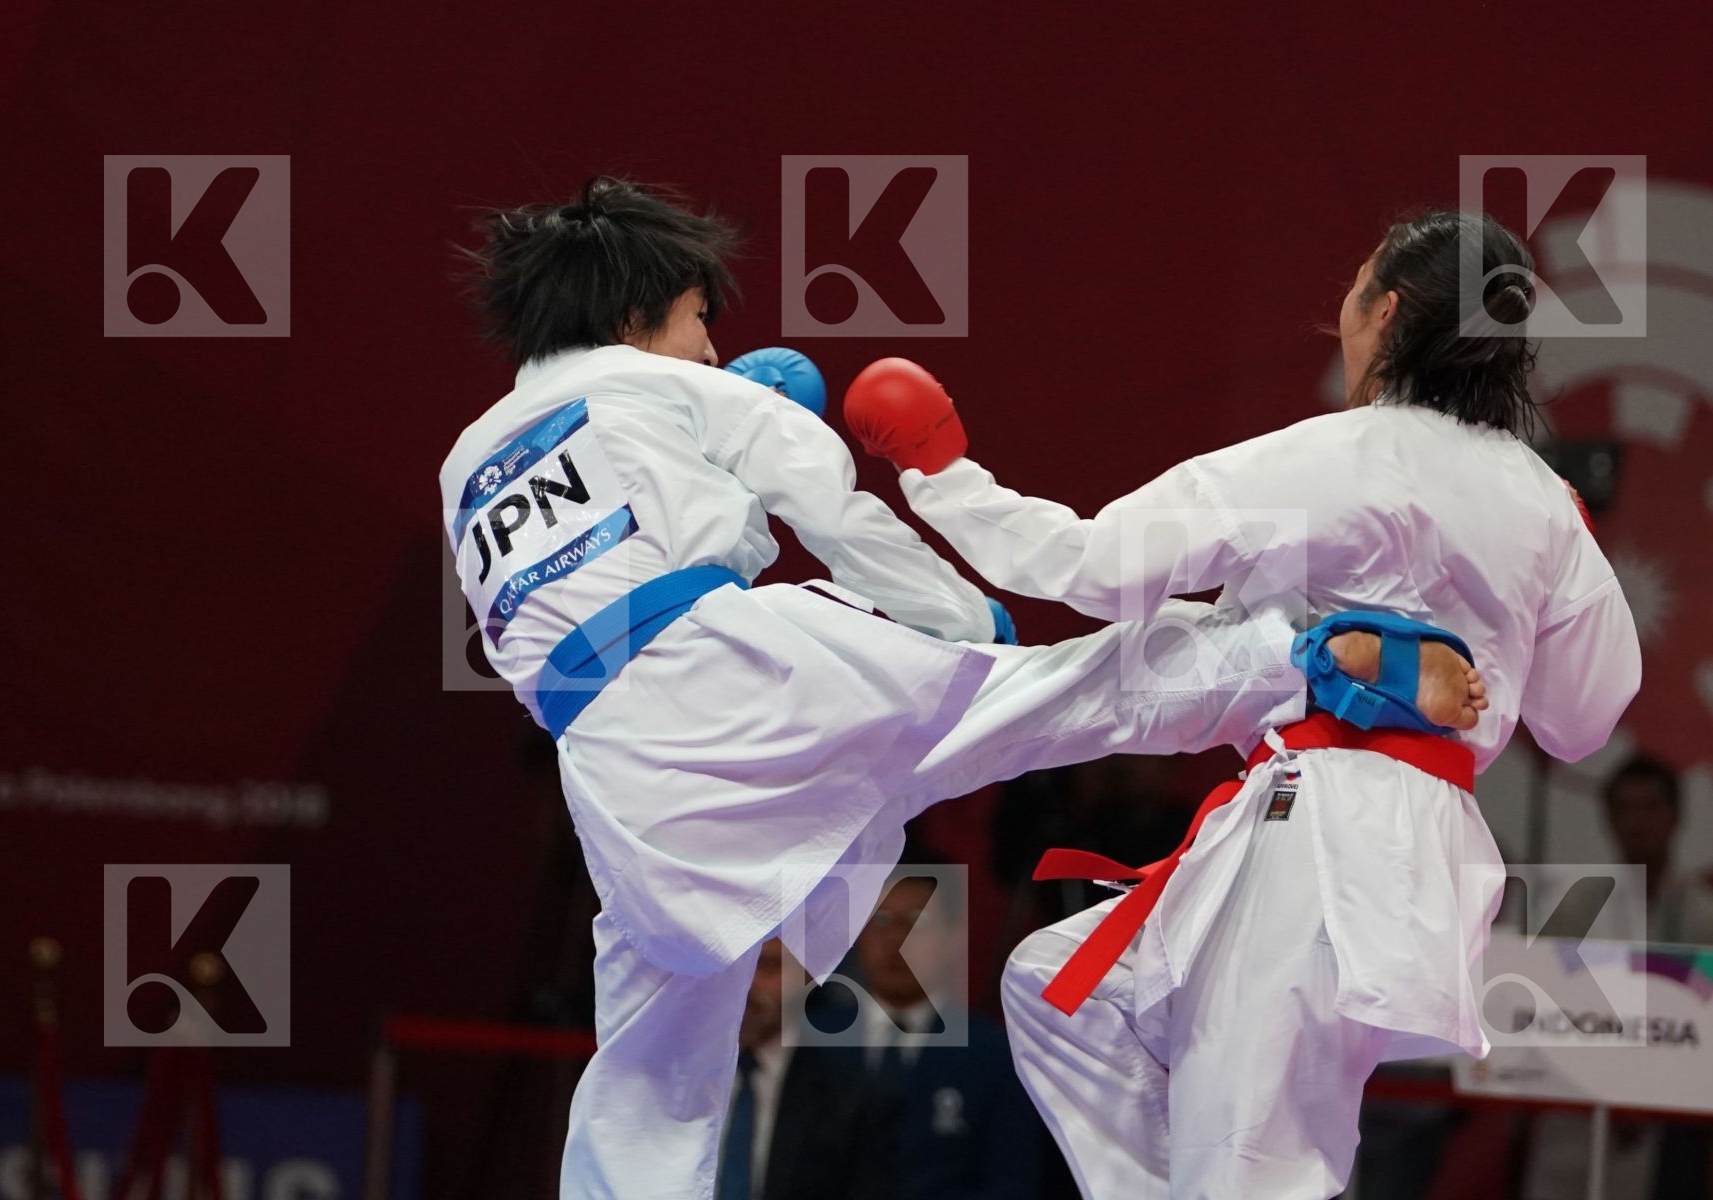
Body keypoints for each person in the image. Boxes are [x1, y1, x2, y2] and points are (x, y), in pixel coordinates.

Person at [440, 179, 1486, 1199]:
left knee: (646, 1060)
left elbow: (556, 616)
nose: (713, 345)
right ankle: (1302, 659)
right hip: (742, 673)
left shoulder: (464, 463)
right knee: (1040, 695)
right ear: (634, 314)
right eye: (697, 317)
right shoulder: (678, 387)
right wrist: (953, 613)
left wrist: (712, 485)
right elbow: (836, 513)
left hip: (619, 771)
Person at [847, 209, 1643, 1198]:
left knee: (1253, 1168)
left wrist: (939, 472)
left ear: (1386, 311)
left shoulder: (1337, 458)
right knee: (1065, 997)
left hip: (1324, 842)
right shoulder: (1539, 498)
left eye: (1353, 291)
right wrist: (1562, 549)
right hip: (1410, 851)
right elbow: (1585, 717)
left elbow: (1092, 565)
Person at [1521, 755, 1713, 1200]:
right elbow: (1537, 1012)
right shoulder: (1578, 907)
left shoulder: (1712, 920)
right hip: (1574, 1112)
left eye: (1650, 807)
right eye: (1625, 809)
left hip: (1670, 1124)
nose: (1638, 822)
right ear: (1608, 820)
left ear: (1675, 815)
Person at [854, 863, 1045, 1199]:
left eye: (918, 922)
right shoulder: (810, 1043)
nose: (898, 938)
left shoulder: (995, 1056)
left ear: (954, 938)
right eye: (881, 920)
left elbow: (1014, 1183)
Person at [716, 940, 896, 1200]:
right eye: (733, 971)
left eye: (767, 966)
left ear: (807, 976)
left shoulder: (853, 1099)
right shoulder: (665, 1081)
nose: (747, 987)